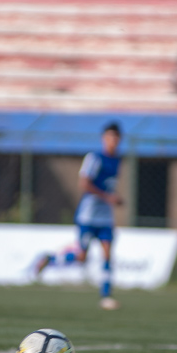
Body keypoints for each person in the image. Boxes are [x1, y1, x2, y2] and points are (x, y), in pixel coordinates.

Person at [35, 122, 123, 310]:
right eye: (110, 137)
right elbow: (84, 184)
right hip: (88, 216)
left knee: (107, 254)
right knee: (82, 257)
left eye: (116, 138)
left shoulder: (117, 160)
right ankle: (51, 259)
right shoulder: (94, 158)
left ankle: (106, 296)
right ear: (103, 138)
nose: (113, 141)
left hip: (105, 217)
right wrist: (108, 197)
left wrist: (114, 199)